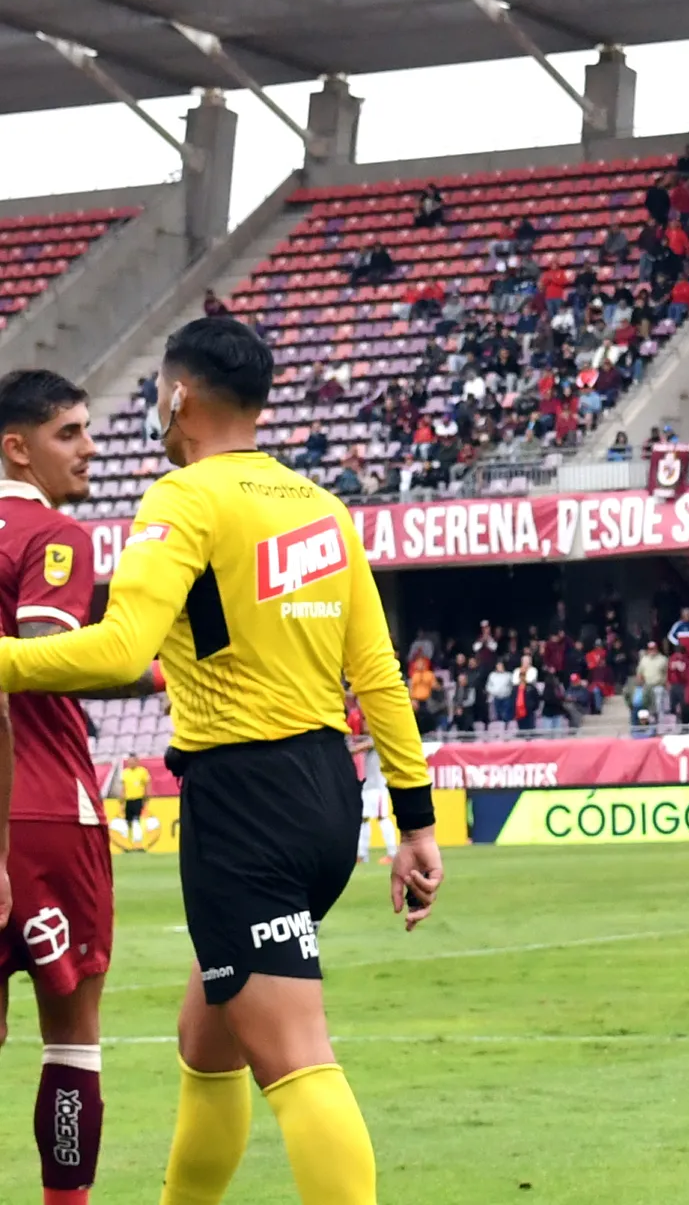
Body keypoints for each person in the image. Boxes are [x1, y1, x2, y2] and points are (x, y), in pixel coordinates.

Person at [0, 320, 444, 1205]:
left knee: (295, 1057)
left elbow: (120, 649)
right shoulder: (322, 506)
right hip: (325, 793)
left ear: (177, 396)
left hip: (243, 799)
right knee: (209, 1038)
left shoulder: (185, 497)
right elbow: (380, 673)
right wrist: (417, 821)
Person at [0, 370, 169, 1205]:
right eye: (70, 432)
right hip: (43, 808)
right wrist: (149, 670)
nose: (91, 447)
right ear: (17, 447)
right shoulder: (53, 532)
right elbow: (41, 657)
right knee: (71, 1037)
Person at [350, 730, 395, 867]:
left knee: (382, 818)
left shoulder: (378, 735)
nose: (365, 724)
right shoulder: (368, 738)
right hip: (368, 785)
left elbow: (359, 748)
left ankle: (393, 853)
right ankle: (362, 855)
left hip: (378, 786)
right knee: (364, 820)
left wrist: (345, 750)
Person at [120, 752, 150, 849]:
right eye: (129, 761)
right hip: (128, 800)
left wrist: (147, 798)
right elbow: (123, 787)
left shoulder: (142, 771)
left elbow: (147, 785)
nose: (130, 763)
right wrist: (121, 800)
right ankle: (129, 842)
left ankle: (139, 843)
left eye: (132, 761)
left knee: (137, 821)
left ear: (137, 761)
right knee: (128, 821)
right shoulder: (125, 772)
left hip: (138, 799)